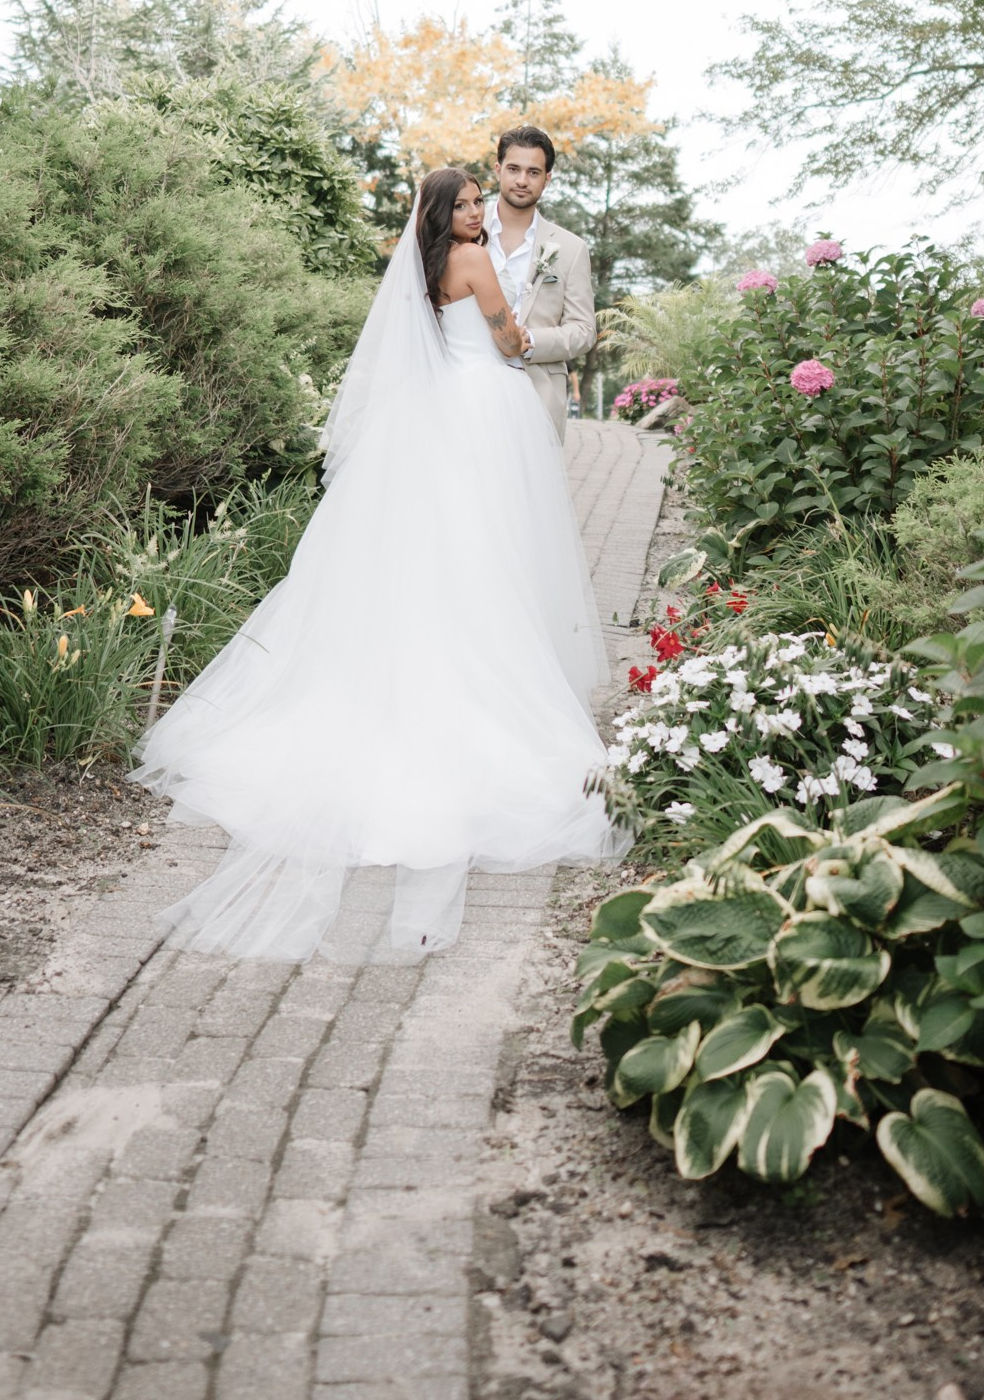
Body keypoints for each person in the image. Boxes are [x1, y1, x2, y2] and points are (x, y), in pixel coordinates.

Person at [135, 166, 620, 961]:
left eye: (477, 203)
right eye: (466, 205)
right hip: (480, 411)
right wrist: (522, 339)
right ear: (445, 214)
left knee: (429, 551)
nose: (477, 214)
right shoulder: (472, 261)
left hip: (433, 417)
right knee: (483, 548)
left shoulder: (423, 269)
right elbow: (506, 337)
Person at [484, 126, 597, 439]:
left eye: (534, 172)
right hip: (465, 388)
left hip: (535, 396)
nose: (522, 180)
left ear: (547, 178)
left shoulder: (571, 249)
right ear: (498, 170)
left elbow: (584, 331)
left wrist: (530, 340)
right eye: (514, 169)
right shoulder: (462, 232)